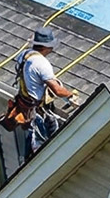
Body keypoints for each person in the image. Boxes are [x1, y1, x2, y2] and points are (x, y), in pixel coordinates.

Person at [15, 26, 75, 160]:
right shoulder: (41, 63)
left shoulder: (24, 55)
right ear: (45, 47)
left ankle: (28, 160)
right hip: (37, 108)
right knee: (44, 140)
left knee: (33, 135)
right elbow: (57, 90)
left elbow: (31, 78)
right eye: (51, 46)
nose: (52, 49)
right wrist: (71, 95)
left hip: (25, 103)